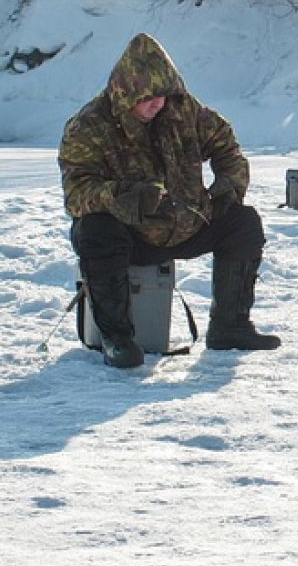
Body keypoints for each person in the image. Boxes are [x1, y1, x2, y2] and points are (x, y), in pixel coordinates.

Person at [59, 32, 280, 368]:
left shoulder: (185, 110)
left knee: (243, 222)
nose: (157, 104)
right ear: (126, 94)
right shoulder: (88, 126)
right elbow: (77, 192)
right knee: (93, 230)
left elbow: (227, 147)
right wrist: (122, 197)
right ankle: (117, 338)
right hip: (129, 233)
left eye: (162, 96)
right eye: (147, 98)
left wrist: (228, 188)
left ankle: (230, 327)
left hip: (187, 222)